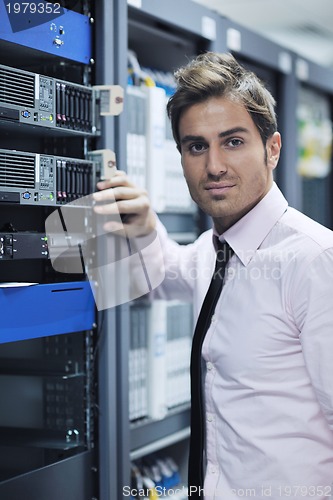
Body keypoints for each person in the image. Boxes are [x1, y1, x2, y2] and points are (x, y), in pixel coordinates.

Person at [93, 52, 333, 499]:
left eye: (234, 141)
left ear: (273, 148)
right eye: (196, 146)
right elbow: (164, 277)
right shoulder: (213, 253)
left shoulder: (315, 260)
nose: (214, 166)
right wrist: (145, 223)